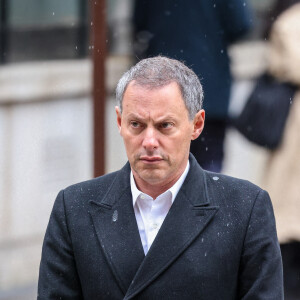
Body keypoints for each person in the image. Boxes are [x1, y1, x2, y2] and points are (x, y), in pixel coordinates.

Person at [38, 56, 283, 299]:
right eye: (136, 124)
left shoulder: (245, 208)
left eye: (165, 125)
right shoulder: (74, 208)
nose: (149, 142)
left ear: (196, 125)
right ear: (119, 122)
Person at [133, 0, 253, 172]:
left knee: (163, 164)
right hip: (209, 83)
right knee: (208, 168)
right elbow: (240, 25)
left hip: (162, 85)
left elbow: (140, 23)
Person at [261, 3, 300, 298]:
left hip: (294, 128)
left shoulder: (290, 21)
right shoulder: (290, 21)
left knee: (286, 223)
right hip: (292, 131)